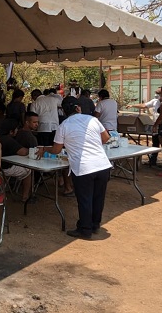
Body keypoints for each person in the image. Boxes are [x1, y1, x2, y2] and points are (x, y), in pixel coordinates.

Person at [39, 96, 111, 240]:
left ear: (63, 111)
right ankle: (95, 225)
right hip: (103, 165)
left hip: (83, 167)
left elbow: (57, 150)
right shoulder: (93, 120)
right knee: (98, 197)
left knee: (85, 199)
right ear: (78, 108)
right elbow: (105, 138)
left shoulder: (63, 125)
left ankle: (85, 229)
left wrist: (44, 148)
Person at [0, 120, 35, 203]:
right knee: (28, 170)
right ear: (11, 131)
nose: (17, 131)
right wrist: (32, 150)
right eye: (16, 129)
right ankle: (25, 197)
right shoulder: (8, 140)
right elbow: (23, 152)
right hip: (5, 169)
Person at [129, 89, 161, 166]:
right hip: (156, 124)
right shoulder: (155, 101)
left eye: (158, 93)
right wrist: (132, 105)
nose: (156, 95)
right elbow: (144, 105)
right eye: (156, 93)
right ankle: (153, 161)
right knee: (155, 143)